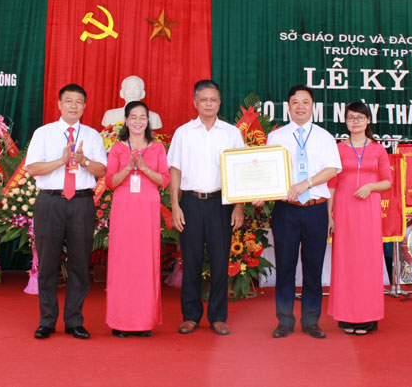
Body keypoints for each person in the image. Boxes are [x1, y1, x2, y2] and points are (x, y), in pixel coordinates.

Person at [255, 85, 341, 339]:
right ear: (288, 106)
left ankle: (311, 320)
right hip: (286, 210)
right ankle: (284, 320)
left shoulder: (324, 137)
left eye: (305, 102)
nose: (300, 106)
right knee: (285, 266)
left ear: (313, 106)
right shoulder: (276, 137)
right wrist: (262, 193)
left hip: (315, 209)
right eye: (295, 102)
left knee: (314, 266)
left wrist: (306, 183)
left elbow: (332, 169)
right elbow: (267, 171)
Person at [26, 83, 107, 340]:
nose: (74, 106)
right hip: (50, 202)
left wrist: (83, 161)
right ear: (59, 104)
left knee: (80, 264)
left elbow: (102, 170)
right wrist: (61, 161)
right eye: (69, 101)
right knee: (48, 263)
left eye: (79, 102)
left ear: (84, 106)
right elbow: (32, 168)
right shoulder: (44, 133)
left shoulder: (92, 135)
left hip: (81, 202)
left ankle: (74, 321)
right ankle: (46, 321)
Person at [167, 79, 245, 336]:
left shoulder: (231, 133)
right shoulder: (183, 133)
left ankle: (217, 317)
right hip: (190, 202)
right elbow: (175, 170)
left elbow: (240, 170)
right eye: (204, 100)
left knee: (220, 261)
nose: (208, 104)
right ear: (195, 103)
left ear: (219, 103)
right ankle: (190, 315)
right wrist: (175, 206)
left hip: (221, 203)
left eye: (213, 100)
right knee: (191, 261)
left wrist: (238, 207)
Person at [105, 101, 170, 338]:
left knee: (145, 263)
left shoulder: (157, 148)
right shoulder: (117, 148)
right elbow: (110, 182)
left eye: (142, 117)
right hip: (124, 211)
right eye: (133, 117)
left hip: (147, 213)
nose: (138, 121)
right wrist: (128, 168)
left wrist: (143, 168)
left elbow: (164, 180)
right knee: (122, 263)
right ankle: (120, 321)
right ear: (126, 120)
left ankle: (144, 321)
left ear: (148, 121)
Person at [327, 101, 392, 336]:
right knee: (345, 262)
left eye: (360, 117)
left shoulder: (378, 149)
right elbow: (332, 184)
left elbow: (388, 181)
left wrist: (371, 186)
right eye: (351, 117)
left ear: (368, 121)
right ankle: (346, 315)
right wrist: (329, 215)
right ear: (345, 121)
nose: (355, 122)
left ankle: (367, 317)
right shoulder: (337, 149)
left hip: (368, 211)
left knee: (368, 262)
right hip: (344, 210)